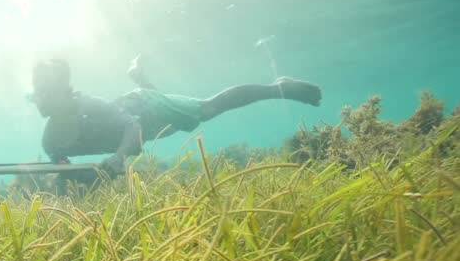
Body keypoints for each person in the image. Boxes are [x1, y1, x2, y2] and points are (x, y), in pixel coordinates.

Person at [27, 55, 322, 177]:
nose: (39, 97)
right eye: (36, 91)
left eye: (46, 90)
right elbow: (61, 163)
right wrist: (66, 169)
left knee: (208, 109)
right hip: (145, 124)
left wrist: (118, 157)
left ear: (65, 91)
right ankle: (139, 76)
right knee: (167, 120)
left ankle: (278, 87)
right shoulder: (50, 141)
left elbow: (132, 128)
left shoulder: (88, 105)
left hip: (145, 109)